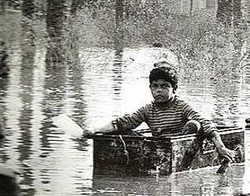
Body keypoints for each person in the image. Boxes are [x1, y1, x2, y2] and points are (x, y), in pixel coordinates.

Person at [83, 60, 235, 163]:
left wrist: (220, 147)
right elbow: (124, 122)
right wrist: (96, 130)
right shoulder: (148, 109)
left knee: (195, 124)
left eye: (164, 86)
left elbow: (206, 123)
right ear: (150, 88)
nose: (159, 90)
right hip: (157, 150)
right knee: (120, 131)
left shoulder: (181, 106)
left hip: (179, 146)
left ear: (174, 89)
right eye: (154, 86)